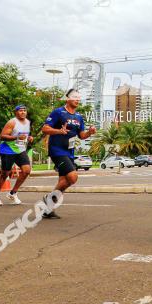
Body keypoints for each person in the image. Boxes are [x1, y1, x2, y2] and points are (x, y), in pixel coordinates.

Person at [40, 89, 96, 219]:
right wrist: (59, 131)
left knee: (64, 181)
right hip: (57, 150)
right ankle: (49, 198)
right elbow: (45, 128)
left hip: (69, 152)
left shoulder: (78, 117)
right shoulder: (58, 112)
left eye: (78, 97)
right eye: (74, 97)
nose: (77, 99)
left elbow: (81, 136)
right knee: (72, 177)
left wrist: (90, 132)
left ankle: (48, 209)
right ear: (67, 99)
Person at [0, 105, 33, 206]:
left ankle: (12, 193)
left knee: (26, 170)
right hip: (8, 150)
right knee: (5, 174)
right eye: (20, 110)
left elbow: (25, 135)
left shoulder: (27, 122)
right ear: (16, 112)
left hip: (20, 150)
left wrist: (29, 138)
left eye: (24, 110)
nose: (23, 112)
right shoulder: (12, 122)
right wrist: (17, 137)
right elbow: (2, 136)